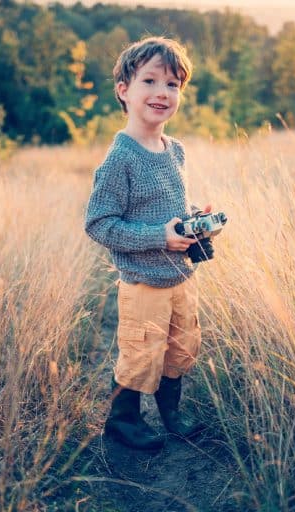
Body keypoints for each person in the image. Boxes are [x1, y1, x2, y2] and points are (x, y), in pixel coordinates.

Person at [84, 37, 210, 450]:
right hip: (142, 283)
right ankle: (123, 423)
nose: (162, 93)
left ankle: (172, 413)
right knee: (140, 355)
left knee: (179, 348)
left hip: (180, 277)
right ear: (124, 90)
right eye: (150, 81)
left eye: (172, 85)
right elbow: (100, 224)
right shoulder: (120, 158)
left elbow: (169, 206)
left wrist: (194, 220)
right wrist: (160, 237)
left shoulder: (176, 150)